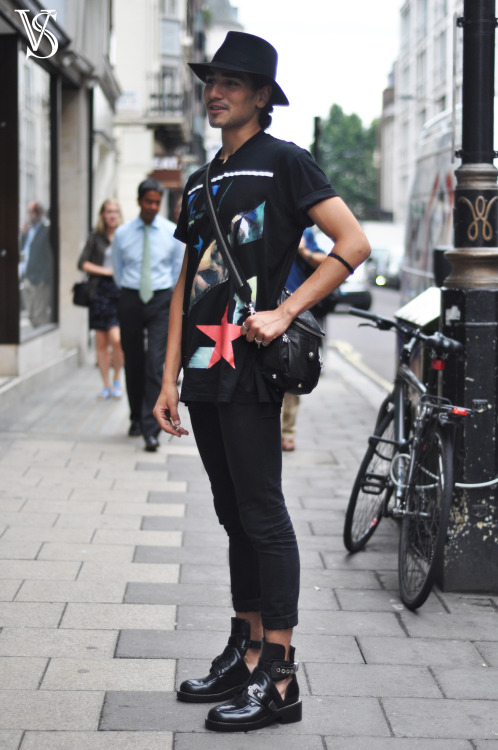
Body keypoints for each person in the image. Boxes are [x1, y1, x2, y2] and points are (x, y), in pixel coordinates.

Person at [153, 31, 370, 732]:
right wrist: (165, 378)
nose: (216, 92)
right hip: (202, 369)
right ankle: (245, 651)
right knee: (231, 512)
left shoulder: (286, 162)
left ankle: (280, 676)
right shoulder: (198, 180)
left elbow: (353, 244)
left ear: (262, 97)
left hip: (249, 367)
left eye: (234, 84)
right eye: (212, 81)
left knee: (264, 514)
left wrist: (284, 310)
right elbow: (187, 282)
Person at [112, 178, 184, 452]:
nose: (153, 206)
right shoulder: (122, 234)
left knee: (155, 363)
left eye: (157, 202)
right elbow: (118, 270)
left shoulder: (171, 232)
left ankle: (150, 429)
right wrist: (128, 292)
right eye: (148, 201)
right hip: (131, 297)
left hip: (160, 299)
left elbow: (178, 268)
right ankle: (134, 417)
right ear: (139, 201)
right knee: (133, 360)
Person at [281, 228, 328, 452]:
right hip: (262, 308)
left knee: (293, 371)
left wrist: (303, 250)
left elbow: (326, 262)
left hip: (295, 312)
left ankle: (287, 431)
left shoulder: (304, 231)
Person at [77, 200, 124, 400]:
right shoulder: (95, 238)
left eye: (115, 211)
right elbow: (82, 263)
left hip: (119, 292)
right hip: (99, 292)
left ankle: (116, 379)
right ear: (102, 215)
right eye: (108, 212)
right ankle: (106, 386)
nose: (112, 215)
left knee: (117, 339)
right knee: (101, 343)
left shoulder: (124, 236)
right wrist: (106, 271)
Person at [20, 202, 53, 328]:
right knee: (31, 314)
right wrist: (22, 234)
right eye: (29, 212)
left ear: (39, 214)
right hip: (26, 275)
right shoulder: (28, 231)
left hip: (39, 279)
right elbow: (23, 249)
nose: (30, 216)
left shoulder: (45, 231)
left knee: (40, 314)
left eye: (32, 212)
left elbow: (48, 257)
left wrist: (44, 278)